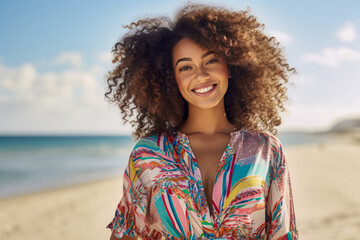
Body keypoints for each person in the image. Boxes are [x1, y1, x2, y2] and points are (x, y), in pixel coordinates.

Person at [105, 2, 298, 240]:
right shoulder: (149, 154)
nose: (200, 75)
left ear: (229, 66)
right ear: (171, 78)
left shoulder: (266, 150)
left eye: (210, 61)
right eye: (186, 67)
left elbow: (283, 234)